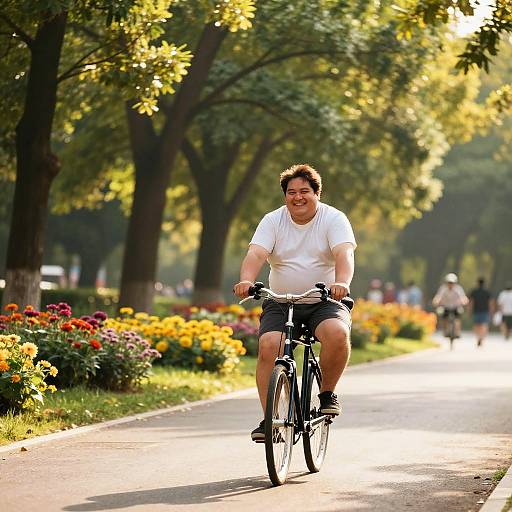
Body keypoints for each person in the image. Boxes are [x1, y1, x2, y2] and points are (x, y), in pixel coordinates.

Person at [233, 164, 356, 442]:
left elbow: (344, 254)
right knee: (268, 346)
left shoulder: (333, 219)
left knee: (337, 334)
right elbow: (256, 254)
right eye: (291, 192)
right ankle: (270, 420)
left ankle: (326, 393)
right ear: (285, 196)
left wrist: (342, 283)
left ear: (317, 194)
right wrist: (246, 280)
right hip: (280, 301)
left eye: (304, 191)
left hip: (324, 300)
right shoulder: (273, 221)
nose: (297, 197)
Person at [432, 273, 468, 339]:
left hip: (455, 306)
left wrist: (464, 301)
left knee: (458, 318)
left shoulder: (458, 289)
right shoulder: (443, 288)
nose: (450, 284)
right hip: (446, 306)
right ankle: (445, 330)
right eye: (449, 282)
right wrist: (436, 301)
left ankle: (457, 332)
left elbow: (462, 297)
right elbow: (439, 296)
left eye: (452, 282)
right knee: (443, 316)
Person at [468, 277, 492, 347]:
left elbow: (471, 302)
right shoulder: (487, 292)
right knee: (484, 325)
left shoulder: (474, 292)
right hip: (485, 311)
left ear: (477, 283)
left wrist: (469, 311)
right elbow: (490, 303)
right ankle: (481, 337)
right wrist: (491, 312)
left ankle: (478, 337)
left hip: (476, 310)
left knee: (476, 325)